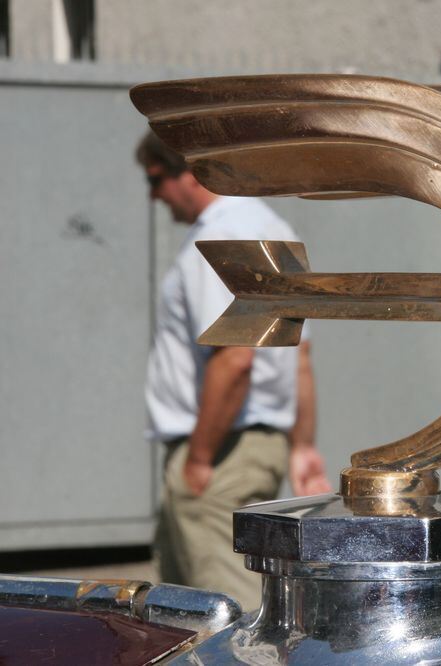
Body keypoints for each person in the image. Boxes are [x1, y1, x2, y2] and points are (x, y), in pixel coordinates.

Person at [135, 131, 331, 610]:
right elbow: (297, 354)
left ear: (190, 170)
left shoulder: (217, 238)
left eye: (155, 178)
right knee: (181, 612)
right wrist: (302, 445)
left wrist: (199, 457)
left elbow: (236, 356)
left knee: (223, 618)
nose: (152, 194)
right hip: (252, 446)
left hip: (222, 450)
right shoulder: (272, 227)